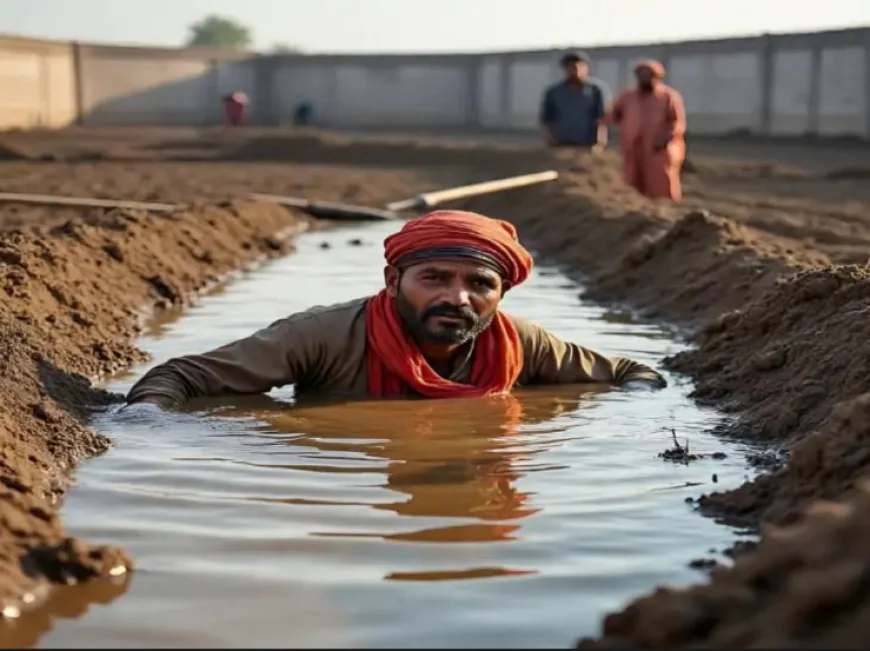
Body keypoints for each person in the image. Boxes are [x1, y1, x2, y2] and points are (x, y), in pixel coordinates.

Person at [124, 210, 666, 410]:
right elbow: (178, 376)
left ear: (502, 294)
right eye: (434, 278)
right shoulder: (322, 336)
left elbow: (632, 373)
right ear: (393, 280)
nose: (457, 298)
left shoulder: (521, 343)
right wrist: (153, 423)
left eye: (480, 284)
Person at [605, 60, 687, 201]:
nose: (645, 78)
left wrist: (665, 138)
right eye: (641, 75)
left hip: (659, 149)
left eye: (649, 75)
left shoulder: (669, 96)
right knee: (632, 180)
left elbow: (677, 122)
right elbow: (613, 114)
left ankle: (666, 210)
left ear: (657, 77)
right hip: (633, 148)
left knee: (661, 182)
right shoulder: (627, 96)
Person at [539, 51, 609, 151]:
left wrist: (600, 143)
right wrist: (550, 141)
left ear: (586, 68)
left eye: (578, 67)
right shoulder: (553, 92)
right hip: (562, 145)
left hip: (588, 146)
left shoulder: (596, 90)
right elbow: (547, 120)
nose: (574, 71)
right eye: (570, 68)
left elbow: (601, 118)